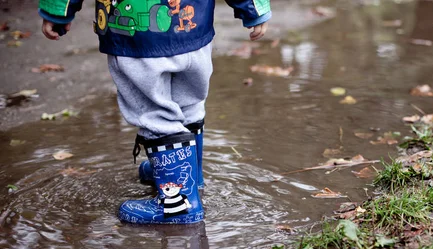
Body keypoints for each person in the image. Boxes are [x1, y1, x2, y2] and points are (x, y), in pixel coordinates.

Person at [38, 0, 270, 224]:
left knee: (154, 111)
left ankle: (177, 204)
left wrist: (59, 8)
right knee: (188, 101)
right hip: (193, 30)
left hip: (139, 41)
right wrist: (253, 7)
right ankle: (190, 177)